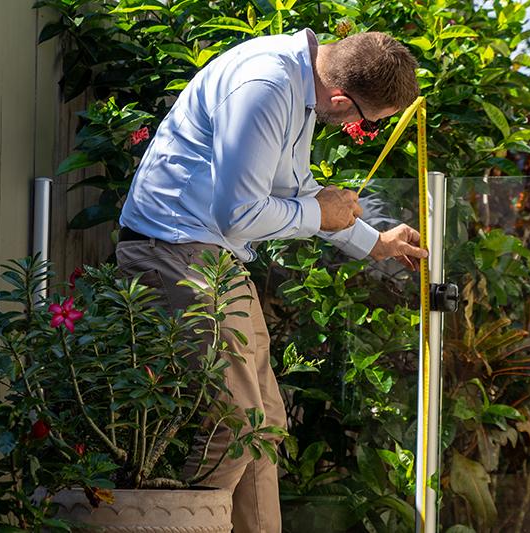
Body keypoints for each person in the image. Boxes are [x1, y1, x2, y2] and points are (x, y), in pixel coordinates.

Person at [116, 28, 427, 533]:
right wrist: (318, 214)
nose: (360, 129)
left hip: (211, 254)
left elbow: (293, 189)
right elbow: (240, 213)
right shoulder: (265, 84)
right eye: (367, 122)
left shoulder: (300, 81)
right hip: (172, 247)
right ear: (344, 99)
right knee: (236, 421)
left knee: (263, 426)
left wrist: (376, 243)